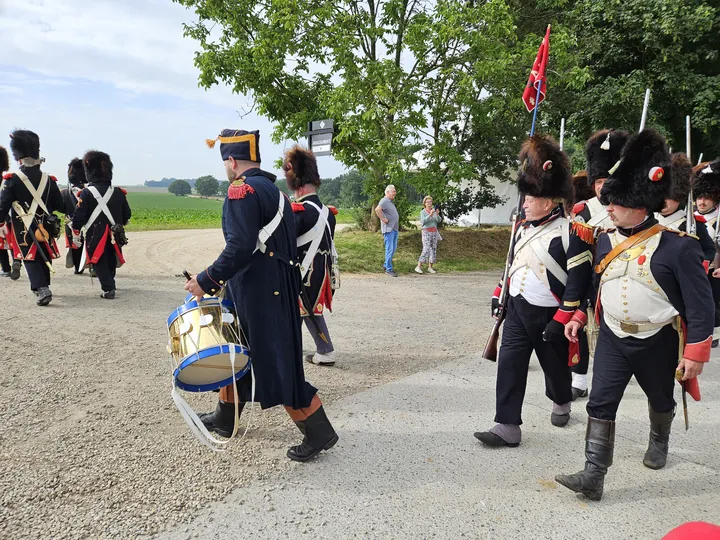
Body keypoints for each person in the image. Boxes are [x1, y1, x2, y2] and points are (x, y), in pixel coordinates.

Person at [556, 129, 713, 502]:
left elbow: (700, 304)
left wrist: (695, 353)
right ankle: (593, 476)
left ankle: (659, 441)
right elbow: (596, 284)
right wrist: (579, 315)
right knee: (600, 402)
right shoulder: (604, 238)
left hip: (657, 339)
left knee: (660, 399)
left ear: (639, 203)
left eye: (616, 203)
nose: (607, 207)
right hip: (612, 335)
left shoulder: (678, 247)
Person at [185, 129, 338, 462]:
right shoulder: (274, 190)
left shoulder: (242, 190)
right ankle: (226, 417)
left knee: (277, 366)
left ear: (231, 160)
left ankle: (318, 432)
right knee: (231, 353)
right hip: (267, 290)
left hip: (258, 296)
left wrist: (205, 279)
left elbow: (239, 247)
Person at [474, 134, 594, 448]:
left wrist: (565, 316)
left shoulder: (571, 232)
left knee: (555, 369)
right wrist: (500, 290)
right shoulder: (520, 229)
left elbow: (579, 282)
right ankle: (507, 425)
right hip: (515, 310)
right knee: (510, 365)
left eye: (529, 197)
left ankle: (561, 401)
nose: (524, 202)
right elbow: (512, 264)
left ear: (546, 199)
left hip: (552, 314)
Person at [283, 145, 339, 366]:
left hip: (304, 271)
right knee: (308, 311)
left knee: (300, 309)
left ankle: (320, 351)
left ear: (296, 185)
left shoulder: (300, 211)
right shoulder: (328, 213)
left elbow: (287, 245)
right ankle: (323, 350)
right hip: (323, 271)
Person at [0, 130, 63, 305]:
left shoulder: (12, 179)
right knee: (44, 253)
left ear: (18, 157)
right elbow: (59, 205)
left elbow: (2, 206)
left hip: (24, 226)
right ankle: (43, 285)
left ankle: (42, 288)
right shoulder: (49, 180)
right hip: (46, 225)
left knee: (29, 256)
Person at [71, 151, 131, 299]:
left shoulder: (86, 193)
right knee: (111, 257)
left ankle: (108, 288)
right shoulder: (118, 192)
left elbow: (79, 216)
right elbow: (126, 214)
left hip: (95, 232)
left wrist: (76, 228)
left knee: (98, 259)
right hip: (115, 232)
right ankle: (111, 282)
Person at [656, 153, 715, 262]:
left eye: (669, 197)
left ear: (678, 196)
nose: (663, 201)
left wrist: (695, 262)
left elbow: (709, 251)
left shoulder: (694, 223)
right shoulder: (647, 219)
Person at [568, 169, 595, 400]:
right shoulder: (582, 213)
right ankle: (579, 379)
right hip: (584, 274)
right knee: (579, 329)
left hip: (605, 277)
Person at [572, 129, 629, 228]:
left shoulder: (633, 210)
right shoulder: (584, 211)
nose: (602, 186)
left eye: (607, 181)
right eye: (599, 182)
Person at [693, 160, 720, 347]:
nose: (702, 202)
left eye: (707, 197)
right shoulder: (692, 219)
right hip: (697, 268)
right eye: (699, 197)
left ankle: (715, 333)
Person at [61, 158, 87, 274]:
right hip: (87, 223)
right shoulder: (90, 192)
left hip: (71, 223)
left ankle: (78, 267)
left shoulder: (65, 193)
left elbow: (61, 208)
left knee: (75, 246)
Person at [375, 184, 399, 277]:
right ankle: (389, 269)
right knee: (389, 249)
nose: (395, 193)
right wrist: (383, 219)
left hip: (394, 228)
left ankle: (386, 264)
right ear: (388, 192)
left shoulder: (389, 202)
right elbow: (377, 209)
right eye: (394, 191)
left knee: (393, 249)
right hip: (389, 229)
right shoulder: (384, 200)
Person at [415, 195, 442, 274]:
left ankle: (430, 267)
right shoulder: (422, 212)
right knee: (426, 248)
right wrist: (430, 215)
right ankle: (419, 266)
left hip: (434, 232)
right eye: (428, 202)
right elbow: (423, 222)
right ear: (424, 203)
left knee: (433, 249)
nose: (429, 203)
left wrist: (437, 214)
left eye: (430, 202)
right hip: (426, 232)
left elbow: (438, 220)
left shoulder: (433, 211)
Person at [0, 145, 11, 277]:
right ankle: (16, 263)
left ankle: (6, 268)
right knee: (11, 241)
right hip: (9, 214)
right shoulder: (7, 180)